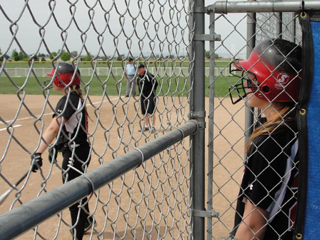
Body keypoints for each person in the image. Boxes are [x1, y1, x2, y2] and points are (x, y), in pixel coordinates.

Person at [228, 39, 302, 240]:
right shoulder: (298, 127)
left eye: (252, 77)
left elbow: (253, 225)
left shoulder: (270, 140)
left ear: (270, 85)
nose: (245, 82)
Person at [31, 62, 94, 240]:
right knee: (78, 190)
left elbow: (53, 128)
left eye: (55, 77)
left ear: (63, 80)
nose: (52, 80)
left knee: (73, 198)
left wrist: (38, 152)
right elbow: (70, 127)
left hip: (74, 154)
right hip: (78, 151)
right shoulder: (74, 98)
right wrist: (58, 145)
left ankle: (78, 234)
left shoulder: (68, 100)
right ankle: (87, 221)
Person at [136, 64, 158, 133]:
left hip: (150, 95)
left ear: (143, 68)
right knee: (144, 112)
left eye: (140, 68)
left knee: (151, 112)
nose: (138, 70)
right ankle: (146, 126)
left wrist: (152, 92)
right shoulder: (138, 77)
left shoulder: (149, 76)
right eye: (138, 68)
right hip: (143, 96)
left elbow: (156, 83)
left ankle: (153, 127)